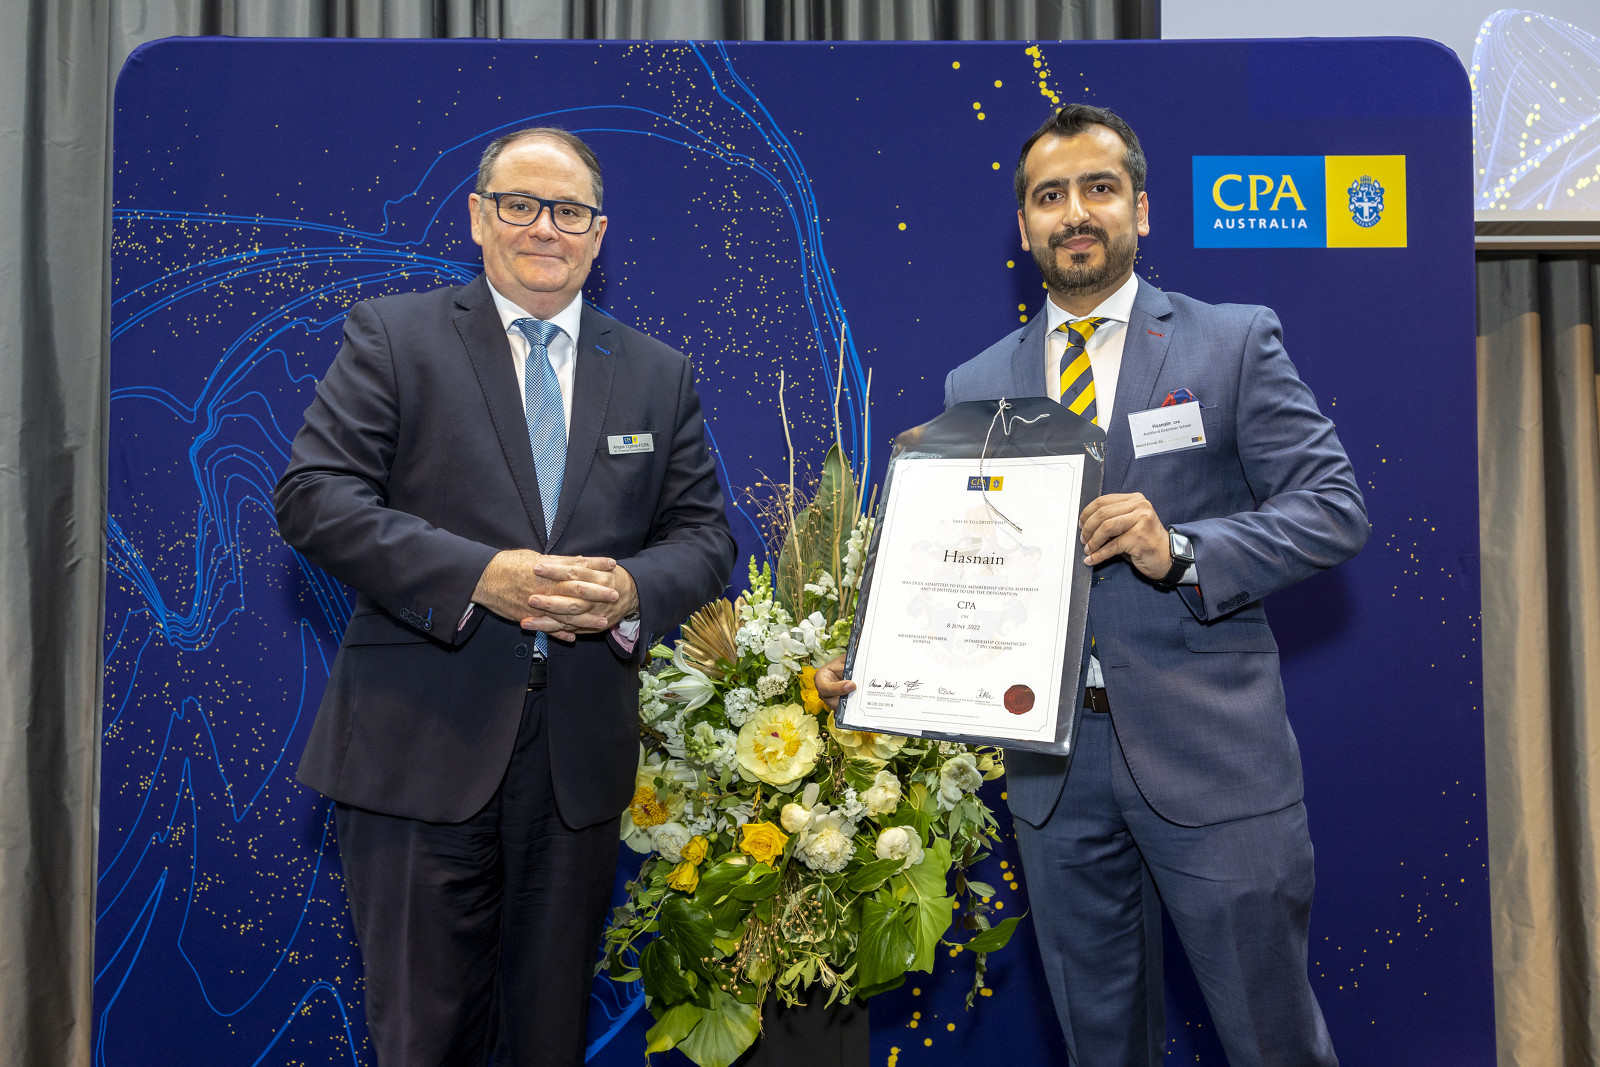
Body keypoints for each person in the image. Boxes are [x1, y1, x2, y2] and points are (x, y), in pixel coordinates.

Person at [818, 103, 1367, 1066]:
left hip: (1213, 757)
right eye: (1050, 196)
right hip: (1054, 775)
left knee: (1272, 1041)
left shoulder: (1232, 343)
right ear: (1025, 225)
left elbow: (1333, 509)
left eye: (1098, 188)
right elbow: (956, 570)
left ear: (1140, 210)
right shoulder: (974, 385)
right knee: (1103, 1048)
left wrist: (1181, 549)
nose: (1074, 212)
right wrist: (878, 670)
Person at [275, 127, 736, 1066]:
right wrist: (481, 575)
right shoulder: (394, 336)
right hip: (418, 752)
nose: (544, 227)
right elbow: (314, 497)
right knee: (427, 1041)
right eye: (520, 205)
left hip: (576, 770)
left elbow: (704, 536)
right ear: (478, 218)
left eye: (568, 211)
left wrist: (630, 589)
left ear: (598, 233)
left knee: (548, 1043)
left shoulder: (659, 372)